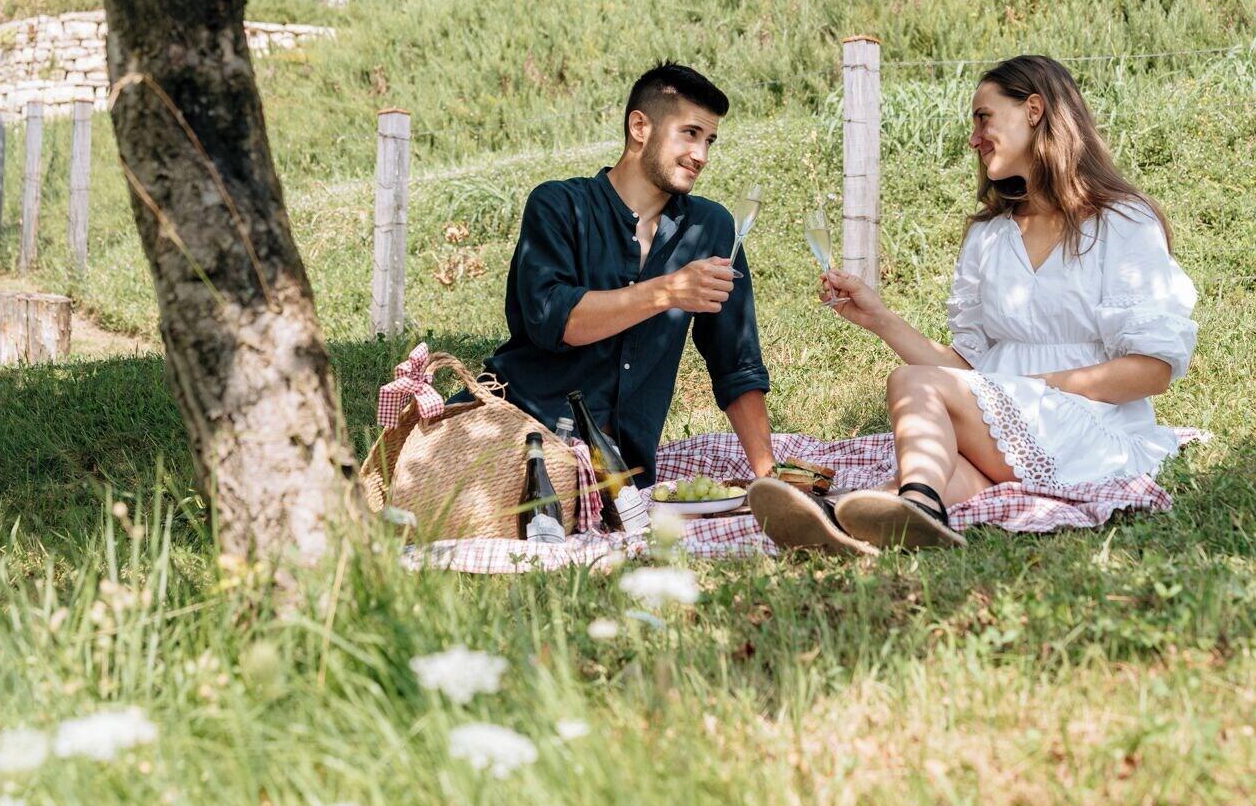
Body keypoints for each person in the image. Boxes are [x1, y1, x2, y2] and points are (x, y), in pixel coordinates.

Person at [750, 54, 1198, 556]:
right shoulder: (989, 235)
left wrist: (1026, 389)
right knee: (934, 464)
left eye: (984, 117)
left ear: (1034, 109)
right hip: (1007, 433)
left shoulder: (1121, 222)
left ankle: (917, 505)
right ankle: (846, 521)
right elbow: (963, 371)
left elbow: (1152, 370)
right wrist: (879, 318)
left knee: (908, 390)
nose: (974, 137)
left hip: (1091, 428)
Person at [482, 61, 776, 492]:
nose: (702, 155)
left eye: (709, 140)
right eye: (690, 133)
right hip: (518, 434)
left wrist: (770, 476)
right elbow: (557, 322)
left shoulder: (711, 228)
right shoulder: (558, 205)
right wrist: (670, 290)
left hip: (621, 471)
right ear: (640, 126)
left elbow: (735, 363)